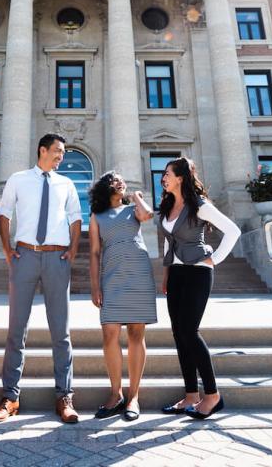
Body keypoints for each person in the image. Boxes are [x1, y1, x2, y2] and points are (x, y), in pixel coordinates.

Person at [0, 133, 83, 424]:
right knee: (16, 330)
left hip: (57, 258)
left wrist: (73, 249)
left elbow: (76, 217)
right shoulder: (18, 179)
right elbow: (3, 214)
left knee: (61, 333)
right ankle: (10, 398)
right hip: (25, 256)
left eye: (63, 153)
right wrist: (6, 249)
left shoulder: (66, 184)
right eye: (58, 151)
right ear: (42, 150)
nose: (61, 157)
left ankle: (64, 397)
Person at [158, 157, 240, 420]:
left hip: (198, 272)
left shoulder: (199, 206)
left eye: (167, 173)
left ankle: (213, 395)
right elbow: (168, 244)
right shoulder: (169, 205)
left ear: (180, 177)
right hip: (177, 274)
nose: (163, 177)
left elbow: (233, 231)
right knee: (179, 334)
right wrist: (166, 274)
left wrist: (213, 258)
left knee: (189, 331)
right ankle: (191, 395)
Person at [88, 171, 157, 421]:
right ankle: (115, 393)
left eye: (122, 180)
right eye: (115, 181)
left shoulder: (133, 210)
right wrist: (95, 286)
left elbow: (148, 215)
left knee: (137, 332)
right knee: (109, 332)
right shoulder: (97, 216)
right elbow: (94, 253)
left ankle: (133, 396)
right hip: (112, 274)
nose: (121, 183)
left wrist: (137, 196)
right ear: (106, 188)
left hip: (138, 271)